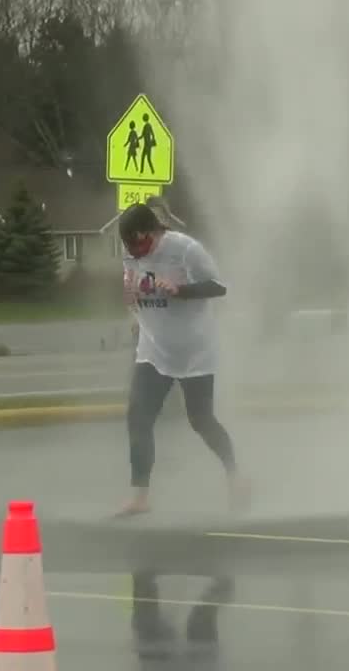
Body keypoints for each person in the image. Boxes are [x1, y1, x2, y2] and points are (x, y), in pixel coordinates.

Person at [117, 202, 249, 517]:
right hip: (153, 349)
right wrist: (130, 301)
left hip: (195, 350)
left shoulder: (185, 249)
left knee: (200, 419)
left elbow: (218, 287)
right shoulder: (131, 256)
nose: (138, 253)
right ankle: (140, 496)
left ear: (154, 232)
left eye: (142, 244)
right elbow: (132, 290)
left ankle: (236, 477)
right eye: (131, 248)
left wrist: (180, 290)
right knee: (138, 416)